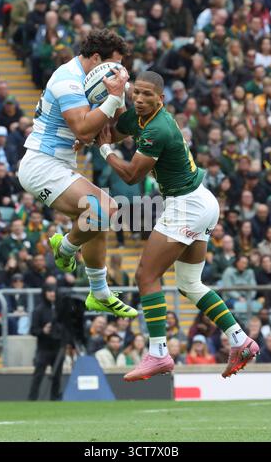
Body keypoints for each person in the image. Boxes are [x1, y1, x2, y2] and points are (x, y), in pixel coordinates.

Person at [94, 70, 260, 381]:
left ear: (162, 99)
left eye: (147, 95)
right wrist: (109, 103)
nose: (140, 100)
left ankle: (158, 352)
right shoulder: (140, 116)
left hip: (187, 205)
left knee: (146, 275)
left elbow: (131, 175)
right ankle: (240, 339)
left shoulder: (158, 128)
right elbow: (114, 130)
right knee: (189, 285)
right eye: (136, 94)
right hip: (200, 201)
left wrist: (105, 152)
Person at [17, 29, 137, 320]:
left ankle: (99, 293)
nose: (118, 72)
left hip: (59, 166)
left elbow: (113, 132)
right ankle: (65, 248)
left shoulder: (98, 81)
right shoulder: (66, 79)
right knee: (104, 209)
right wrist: (112, 98)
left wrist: (139, 110)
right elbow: (84, 129)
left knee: (97, 218)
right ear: (96, 58)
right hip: (41, 165)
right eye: (114, 65)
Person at [28, 284, 71, 400]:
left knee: (57, 376)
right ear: (44, 293)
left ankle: (54, 398)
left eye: (54, 291)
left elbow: (67, 327)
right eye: (49, 291)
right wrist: (43, 331)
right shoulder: (38, 310)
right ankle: (32, 399)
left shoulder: (60, 309)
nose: (52, 294)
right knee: (38, 376)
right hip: (44, 348)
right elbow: (32, 330)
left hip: (58, 347)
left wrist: (65, 341)